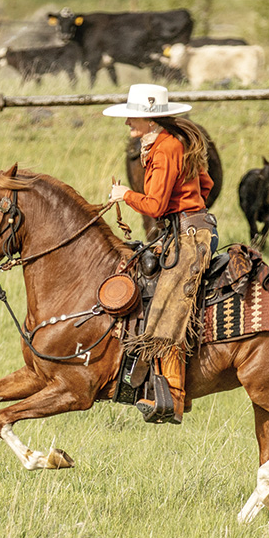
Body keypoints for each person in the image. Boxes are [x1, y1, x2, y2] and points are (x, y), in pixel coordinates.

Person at [103, 83, 218, 424]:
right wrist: (189, 207)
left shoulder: (165, 148)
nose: (128, 124)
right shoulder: (174, 143)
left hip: (188, 235)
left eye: (133, 119)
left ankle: (174, 400)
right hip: (191, 229)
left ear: (151, 121)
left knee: (168, 309)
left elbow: (153, 205)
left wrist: (125, 194)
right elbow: (206, 185)